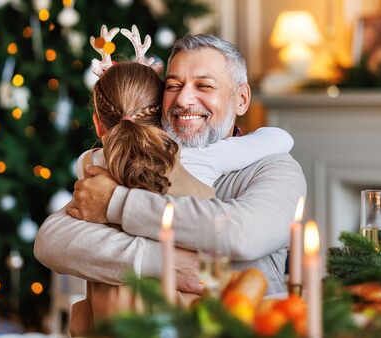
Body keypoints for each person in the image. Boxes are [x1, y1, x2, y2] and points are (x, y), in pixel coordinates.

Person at [34, 32, 306, 331]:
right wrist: (167, 263)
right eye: (173, 86)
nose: (184, 99)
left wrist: (115, 203)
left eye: (204, 85)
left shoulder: (275, 167)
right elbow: (53, 240)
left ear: (241, 99)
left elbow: (240, 234)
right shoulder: (140, 162)